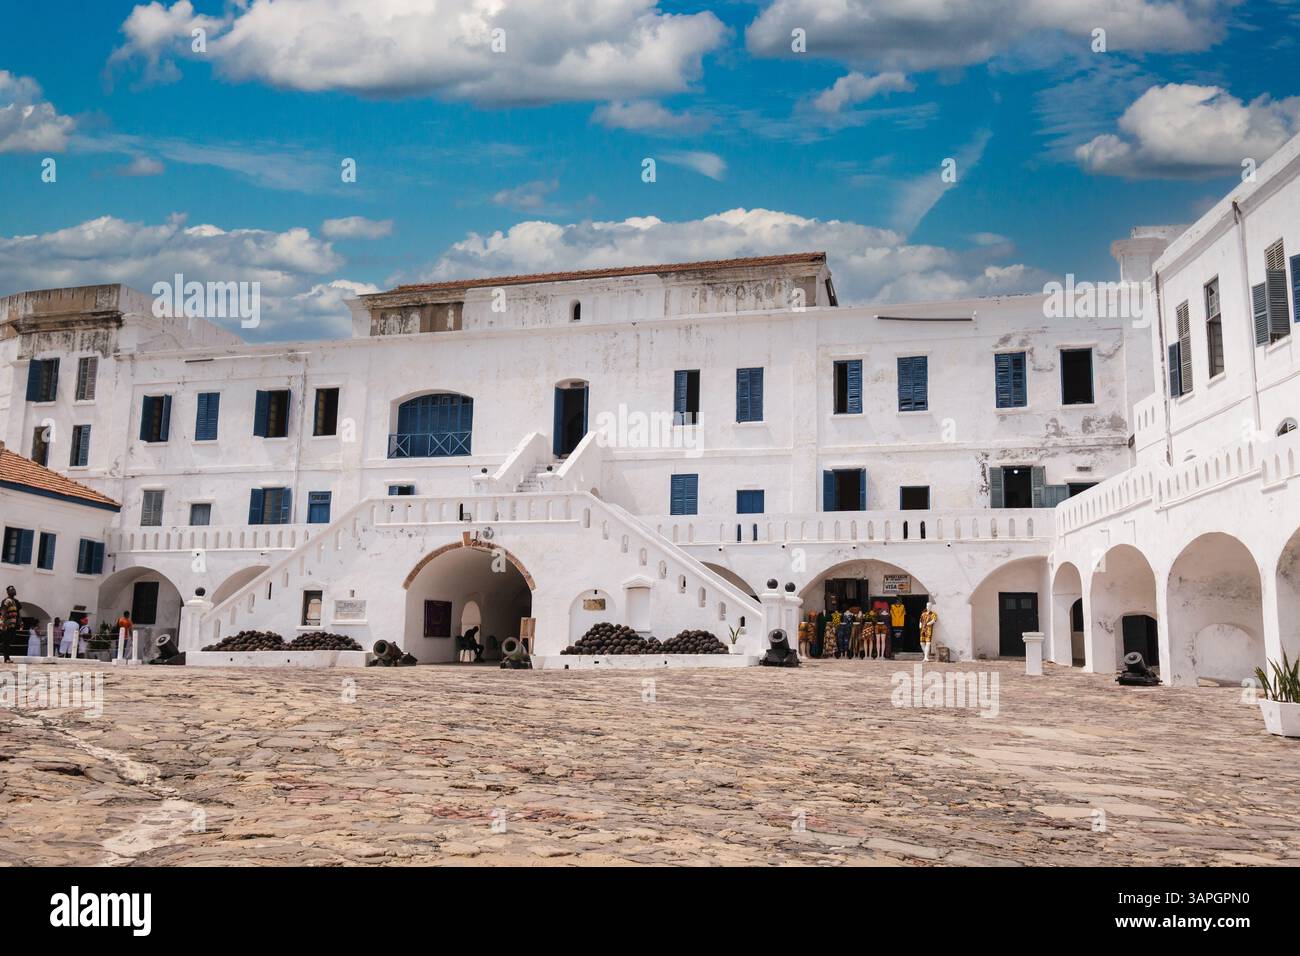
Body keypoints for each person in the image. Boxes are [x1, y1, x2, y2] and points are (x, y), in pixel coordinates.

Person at [1, 585, 21, 663]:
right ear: (8, 592)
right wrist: (4, 622)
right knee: (5, 641)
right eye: (11, 590)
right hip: (6, 623)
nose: (13, 590)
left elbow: (18, 612)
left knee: (10, 639)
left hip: (13, 623)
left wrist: (20, 621)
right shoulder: (6, 601)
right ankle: (6, 658)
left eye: (14, 589)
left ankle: (7, 657)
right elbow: (3, 611)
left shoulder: (16, 601)